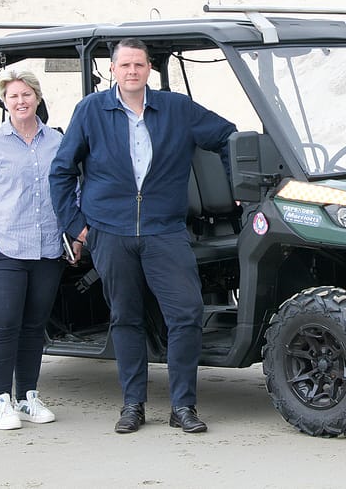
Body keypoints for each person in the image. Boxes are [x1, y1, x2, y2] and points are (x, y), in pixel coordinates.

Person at [49, 38, 236, 435]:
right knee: (126, 317)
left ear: (149, 68)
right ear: (112, 70)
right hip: (111, 232)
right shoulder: (91, 111)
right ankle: (133, 404)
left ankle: (183, 406)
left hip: (165, 229)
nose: (132, 71)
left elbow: (228, 138)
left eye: (139, 65)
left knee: (185, 315)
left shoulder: (176, 108)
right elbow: (61, 171)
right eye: (124, 65)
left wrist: (238, 188)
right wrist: (78, 227)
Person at [0, 70, 70, 431]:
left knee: (34, 327)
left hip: (47, 250)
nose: (20, 102)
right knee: (5, 326)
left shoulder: (56, 141)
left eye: (25, 95)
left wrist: (76, 239)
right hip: (2, 250)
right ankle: (0, 401)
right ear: (5, 103)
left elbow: (71, 192)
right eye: (12, 97)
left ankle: (28, 397)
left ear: (37, 98)